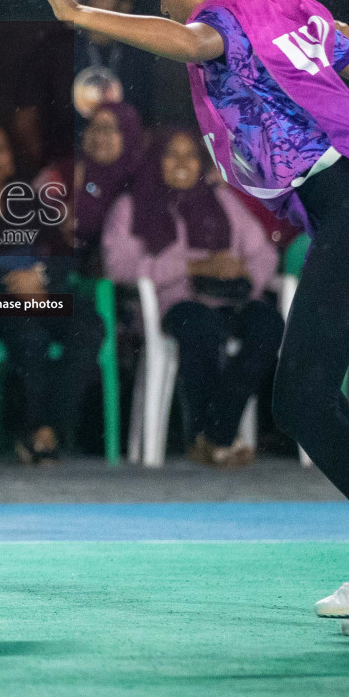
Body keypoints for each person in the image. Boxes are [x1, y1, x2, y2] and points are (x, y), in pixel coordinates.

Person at [29, 0, 349, 636]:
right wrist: (338, 45)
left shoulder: (222, 20)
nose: (165, 1)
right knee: (315, 385)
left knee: (298, 396)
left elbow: (187, 38)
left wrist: (78, 12)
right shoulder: (292, 8)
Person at [101, 126, 281, 467]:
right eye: (172, 154)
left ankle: (213, 434)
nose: (182, 163)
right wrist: (192, 266)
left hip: (229, 301)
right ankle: (219, 436)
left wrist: (241, 271)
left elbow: (263, 254)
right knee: (200, 327)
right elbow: (119, 266)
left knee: (269, 324)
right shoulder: (132, 205)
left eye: (191, 155)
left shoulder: (220, 199)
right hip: (170, 307)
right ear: (156, 159)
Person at [0, 127, 101, 464]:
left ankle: (49, 427)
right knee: (31, 337)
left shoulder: (27, 199)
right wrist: (11, 281)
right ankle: (36, 429)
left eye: (1, 149)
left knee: (88, 327)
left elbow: (62, 253)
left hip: (40, 294)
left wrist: (37, 277)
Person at [72, 100, 145, 248]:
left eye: (108, 129)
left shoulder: (142, 183)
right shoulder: (71, 172)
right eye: (94, 127)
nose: (98, 136)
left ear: (128, 134)